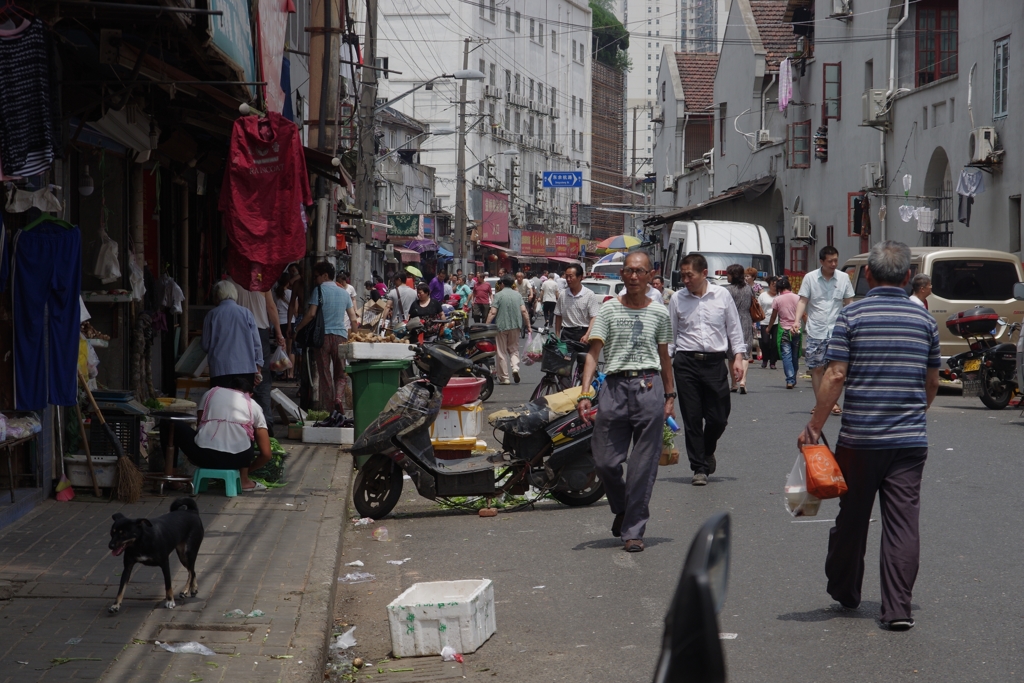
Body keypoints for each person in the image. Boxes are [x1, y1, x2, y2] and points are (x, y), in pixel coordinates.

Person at [798, 241, 939, 632]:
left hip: (860, 440)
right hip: (909, 442)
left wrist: (815, 426)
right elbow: (932, 382)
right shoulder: (924, 321)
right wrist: (912, 414)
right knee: (903, 524)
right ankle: (897, 609)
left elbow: (836, 375)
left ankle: (845, 589)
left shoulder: (852, 315)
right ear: (908, 277)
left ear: (868, 276)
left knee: (853, 517)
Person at [577, 252, 675, 552]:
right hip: (614, 387)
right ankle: (622, 507)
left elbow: (664, 357)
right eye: (629, 271)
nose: (634, 276)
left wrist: (670, 395)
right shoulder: (608, 311)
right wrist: (584, 393)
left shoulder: (659, 313)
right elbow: (593, 353)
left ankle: (633, 530)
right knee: (605, 461)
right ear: (622, 274)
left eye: (640, 272)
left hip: (649, 386)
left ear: (650, 276)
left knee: (642, 467)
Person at [668, 254, 746, 487]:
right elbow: (671, 336)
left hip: (714, 362)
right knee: (692, 418)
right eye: (682, 276)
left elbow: (734, 328)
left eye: (689, 275)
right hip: (686, 363)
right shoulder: (677, 299)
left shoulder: (722, 295)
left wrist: (738, 358)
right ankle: (699, 468)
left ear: (704, 273)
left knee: (718, 418)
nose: (685, 280)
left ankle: (707, 449)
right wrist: (665, 370)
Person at [174, 376, 273, 492]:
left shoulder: (210, 393)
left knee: (171, 425)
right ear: (249, 394)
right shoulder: (253, 405)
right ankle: (244, 480)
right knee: (249, 432)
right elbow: (266, 454)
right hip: (237, 460)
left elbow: (200, 426)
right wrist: (249, 469)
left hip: (203, 457)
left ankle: (172, 479)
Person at [294, 262, 359, 417]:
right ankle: (338, 398)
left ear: (324, 275)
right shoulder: (344, 293)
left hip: (321, 339)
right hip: (341, 338)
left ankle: (330, 409)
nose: (315, 279)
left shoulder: (319, 290)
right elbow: (353, 319)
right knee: (341, 373)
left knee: (324, 374)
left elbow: (311, 314)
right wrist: (355, 337)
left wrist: (298, 328)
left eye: (317, 276)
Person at [795, 246, 855, 416]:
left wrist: (852, 324)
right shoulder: (810, 278)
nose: (834, 264)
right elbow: (802, 301)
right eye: (830, 261)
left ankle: (833, 401)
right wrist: (795, 321)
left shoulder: (843, 278)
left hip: (838, 331)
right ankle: (822, 403)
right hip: (817, 330)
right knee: (817, 369)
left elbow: (849, 302)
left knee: (837, 370)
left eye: (836, 260)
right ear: (821, 261)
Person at [227, 275, 286, 437]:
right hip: (260, 334)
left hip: (238, 335)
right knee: (263, 378)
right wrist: (279, 334)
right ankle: (266, 424)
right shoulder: (263, 283)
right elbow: (271, 308)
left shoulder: (231, 282)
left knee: (241, 378)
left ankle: (241, 424)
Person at [203, 280, 263, 390]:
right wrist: (258, 367)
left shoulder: (211, 315)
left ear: (217, 296)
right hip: (246, 369)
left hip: (220, 370)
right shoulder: (246, 313)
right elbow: (257, 344)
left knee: (222, 403)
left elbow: (205, 345)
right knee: (242, 403)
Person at [486, 274, 531, 385]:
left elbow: (493, 312)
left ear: (502, 284)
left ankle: (505, 377)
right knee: (514, 349)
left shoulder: (498, 295)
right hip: (516, 326)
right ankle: (515, 367)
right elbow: (524, 311)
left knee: (501, 352)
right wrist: (528, 326)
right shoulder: (518, 295)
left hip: (501, 327)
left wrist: (486, 326)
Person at [723, 264, 754, 394]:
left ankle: (734, 383)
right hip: (746, 319)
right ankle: (743, 381)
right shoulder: (748, 288)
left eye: (728, 274)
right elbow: (753, 303)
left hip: (731, 321)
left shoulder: (727, 290)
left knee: (732, 354)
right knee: (745, 352)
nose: (727, 277)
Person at [768, 277, 801, 389]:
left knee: (786, 355)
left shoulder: (777, 299)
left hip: (784, 330)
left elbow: (773, 316)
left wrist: (769, 327)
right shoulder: (797, 298)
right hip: (796, 330)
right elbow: (804, 314)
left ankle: (790, 379)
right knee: (795, 355)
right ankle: (794, 377)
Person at [554, 264, 600, 344]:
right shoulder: (563, 294)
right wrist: (557, 335)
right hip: (566, 334)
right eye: (566, 276)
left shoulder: (589, 295)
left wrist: (587, 335)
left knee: (583, 356)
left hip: (583, 334)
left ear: (580, 277)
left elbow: (594, 317)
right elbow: (558, 315)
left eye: (571, 276)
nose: (568, 279)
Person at [758, 276, 779, 370]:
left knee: (775, 343)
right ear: (769, 285)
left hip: (777, 322)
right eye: (773, 285)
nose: (774, 287)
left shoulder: (780, 296)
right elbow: (758, 308)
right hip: (765, 321)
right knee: (765, 342)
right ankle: (765, 359)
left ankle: (773, 362)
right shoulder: (763, 296)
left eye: (776, 285)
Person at [513, 272, 534, 337]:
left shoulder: (526, 281)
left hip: (524, 299)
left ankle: (526, 324)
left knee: (526, 312)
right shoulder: (514, 282)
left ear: (522, 277)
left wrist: (531, 295)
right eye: (517, 277)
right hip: (517, 299)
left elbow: (530, 288)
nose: (519, 279)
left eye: (520, 277)